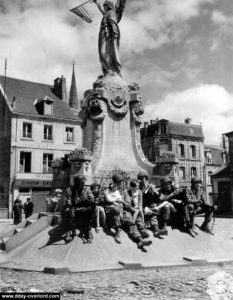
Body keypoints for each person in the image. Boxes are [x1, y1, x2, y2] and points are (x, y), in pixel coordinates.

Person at [111, 173, 152, 249]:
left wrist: (132, 208)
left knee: (138, 218)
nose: (121, 183)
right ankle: (140, 239)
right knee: (131, 222)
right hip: (121, 211)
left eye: (122, 182)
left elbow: (128, 202)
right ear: (115, 183)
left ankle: (143, 231)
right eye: (119, 182)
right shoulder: (112, 190)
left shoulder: (125, 191)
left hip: (128, 209)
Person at [93, 0, 126, 77]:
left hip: (107, 34)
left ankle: (111, 69)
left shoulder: (111, 13)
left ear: (109, 6)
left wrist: (114, 32)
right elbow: (101, 10)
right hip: (102, 33)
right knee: (101, 51)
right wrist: (96, 3)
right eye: (104, 6)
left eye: (105, 6)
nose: (104, 8)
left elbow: (113, 22)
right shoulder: (106, 13)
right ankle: (107, 69)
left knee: (103, 51)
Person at [137, 172, 169, 237]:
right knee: (149, 212)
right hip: (141, 207)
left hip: (150, 207)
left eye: (145, 179)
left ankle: (156, 230)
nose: (143, 181)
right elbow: (140, 196)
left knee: (153, 214)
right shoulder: (137, 188)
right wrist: (146, 189)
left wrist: (154, 191)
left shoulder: (151, 188)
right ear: (139, 180)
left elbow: (161, 197)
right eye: (141, 179)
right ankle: (149, 230)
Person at [71, 175, 95, 243]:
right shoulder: (71, 189)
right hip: (75, 210)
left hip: (84, 209)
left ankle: (87, 229)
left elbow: (91, 198)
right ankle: (69, 230)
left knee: (91, 208)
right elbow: (68, 200)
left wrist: (91, 199)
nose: (83, 184)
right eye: (82, 182)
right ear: (76, 183)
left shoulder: (86, 189)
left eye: (83, 182)